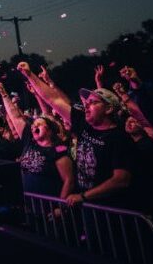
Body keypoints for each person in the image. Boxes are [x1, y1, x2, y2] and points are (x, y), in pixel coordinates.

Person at [18, 61, 135, 208]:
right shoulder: (84, 124)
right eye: (87, 102)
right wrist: (30, 75)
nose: (86, 105)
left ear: (109, 109)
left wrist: (84, 196)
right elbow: (54, 100)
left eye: (93, 102)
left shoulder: (119, 138)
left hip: (111, 208)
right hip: (87, 206)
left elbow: (121, 179)